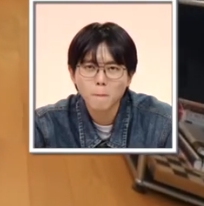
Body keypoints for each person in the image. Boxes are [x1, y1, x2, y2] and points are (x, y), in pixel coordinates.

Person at [33, 21, 173, 150]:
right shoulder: (43, 126)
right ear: (72, 73)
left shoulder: (165, 124)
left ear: (130, 76)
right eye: (89, 67)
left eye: (112, 68)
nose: (101, 80)